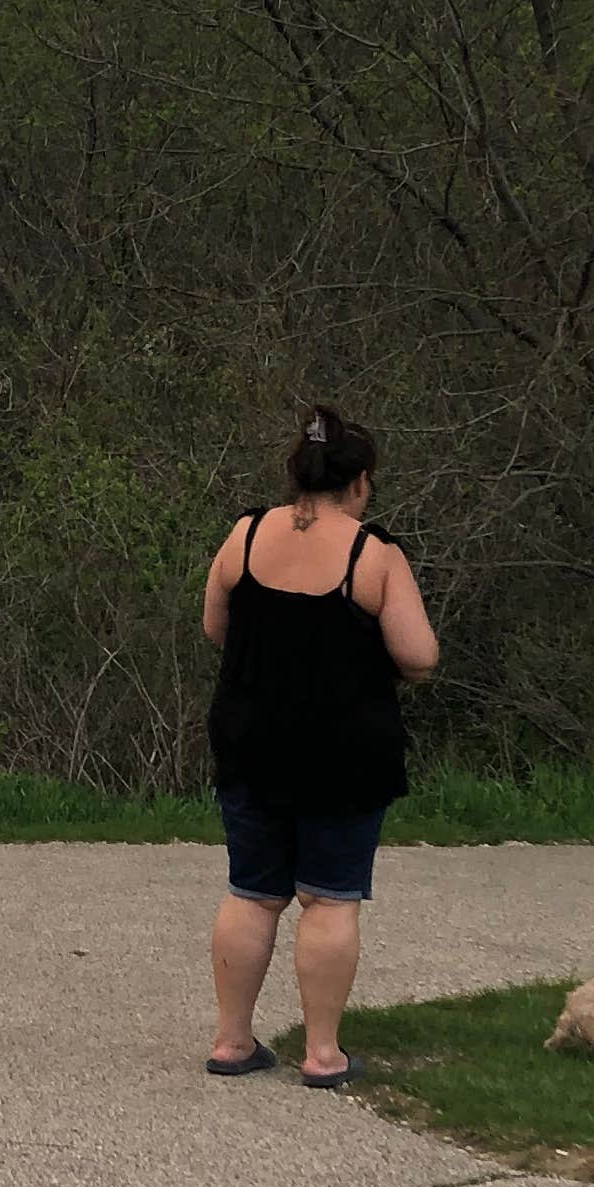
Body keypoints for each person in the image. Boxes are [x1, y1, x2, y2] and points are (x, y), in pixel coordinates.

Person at [199, 406, 439, 1085]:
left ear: (294, 472)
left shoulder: (243, 536)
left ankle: (232, 1042)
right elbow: (419, 655)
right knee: (329, 899)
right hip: (343, 754)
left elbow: (217, 627)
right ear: (359, 483)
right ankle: (323, 1054)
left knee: (251, 892)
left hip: (250, 742)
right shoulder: (374, 554)